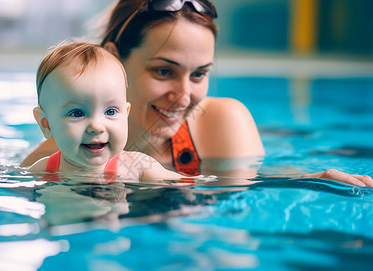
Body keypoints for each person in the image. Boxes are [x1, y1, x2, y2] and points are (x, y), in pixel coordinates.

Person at [22, 0, 373, 188]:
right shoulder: (59, 149)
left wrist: (313, 179)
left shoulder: (223, 122)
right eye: (164, 71)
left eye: (200, 74)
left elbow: (251, 185)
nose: (185, 96)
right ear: (116, 59)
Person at [29, 41, 185, 182]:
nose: (97, 127)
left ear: (126, 113)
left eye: (110, 111)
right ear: (46, 124)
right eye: (77, 113)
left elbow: (190, 187)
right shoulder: (43, 171)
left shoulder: (137, 168)